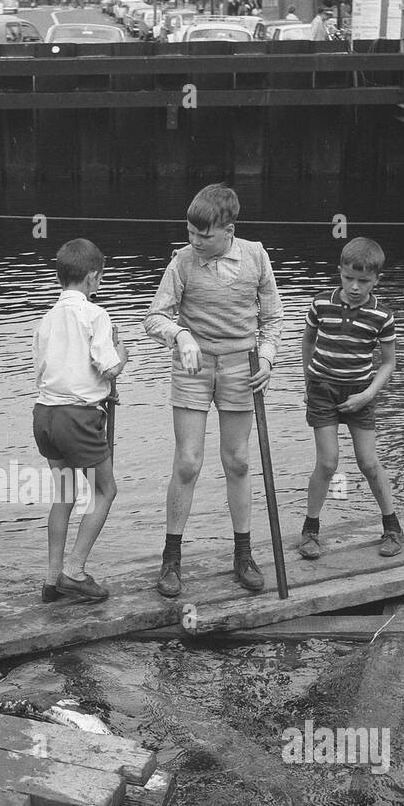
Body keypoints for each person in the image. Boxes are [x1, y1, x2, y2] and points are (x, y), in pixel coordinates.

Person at [144, 183, 284, 600]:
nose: (195, 241)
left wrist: (269, 358)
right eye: (190, 232)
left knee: (238, 461)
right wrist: (181, 336)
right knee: (187, 462)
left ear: (229, 229)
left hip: (243, 365)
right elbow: (154, 317)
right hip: (193, 365)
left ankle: (243, 555)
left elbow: (274, 319)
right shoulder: (182, 262)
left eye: (204, 235)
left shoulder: (256, 256)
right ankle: (171, 558)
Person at [32, 238, 129, 604]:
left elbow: (43, 372)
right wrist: (123, 354)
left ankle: (51, 578)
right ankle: (75, 571)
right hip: (77, 417)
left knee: (65, 493)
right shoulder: (95, 314)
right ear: (92, 279)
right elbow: (109, 366)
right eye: (100, 279)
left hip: (44, 415)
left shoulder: (45, 320)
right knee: (106, 490)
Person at [296, 237, 403, 561]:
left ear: (376, 280)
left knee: (368, 463)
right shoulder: (320, 305)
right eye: (348, 278)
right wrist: (308, 382)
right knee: (327, 462)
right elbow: (308, 341)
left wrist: (368, 394)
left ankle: (393, 527)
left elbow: (389, 362)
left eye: (364, 281)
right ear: (340, 272)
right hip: (322, 390)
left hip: (360, 393)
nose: (355, 287)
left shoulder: (381, 316)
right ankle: (311, 531)